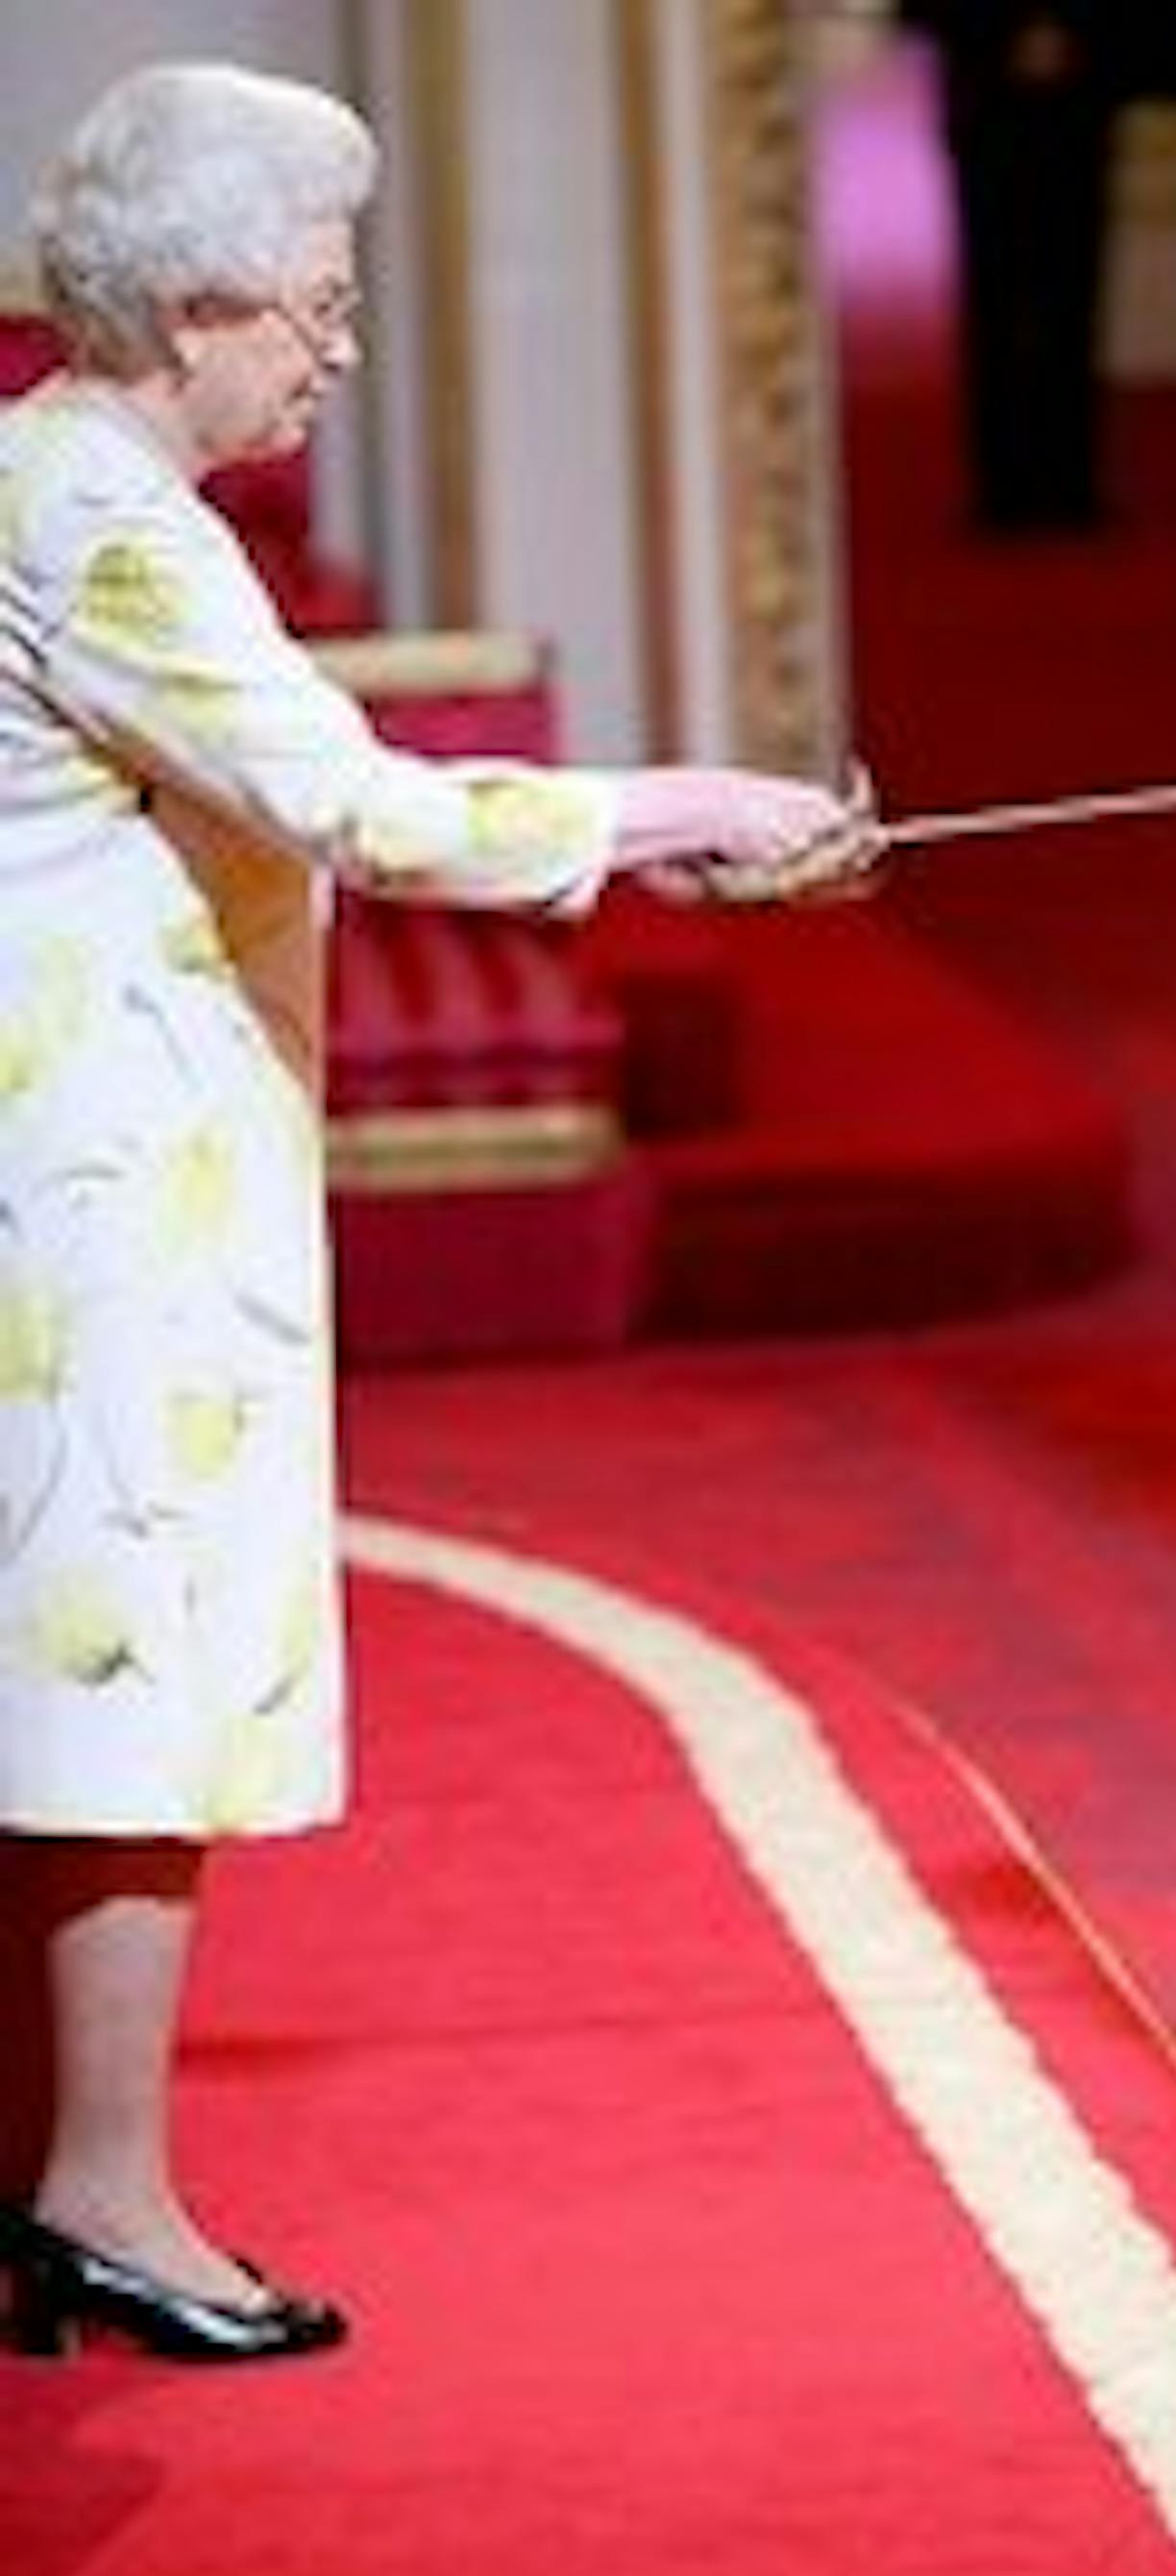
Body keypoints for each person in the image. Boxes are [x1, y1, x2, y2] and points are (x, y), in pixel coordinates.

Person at [0, 61, 875, 2364]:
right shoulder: (107, 528)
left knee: (71, 1671)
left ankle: (58, 2172)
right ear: (193, 308)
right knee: (126, 1679)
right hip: (98, 1186)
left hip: (78, 1149)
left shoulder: (49, 474)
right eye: (315, 302)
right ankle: (103, 2195)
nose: (341, 345)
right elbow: (366, 813)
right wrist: (699, 806)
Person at [902, 1, 1128, 532]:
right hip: (986, 94)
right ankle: (1002, 481)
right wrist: (1000, 37)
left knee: (1073, 290)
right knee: (995, 290)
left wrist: (1074, 35)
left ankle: (1070, 475)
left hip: (1080, 94)